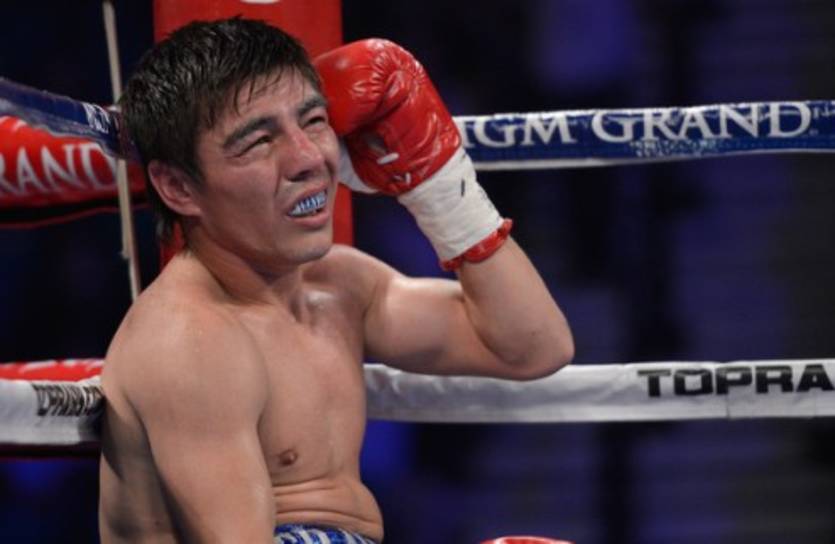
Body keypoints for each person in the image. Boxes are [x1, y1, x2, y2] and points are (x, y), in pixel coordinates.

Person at [98, 18, 573, 544]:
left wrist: (438, 186)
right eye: (259, 141)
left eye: (314, 121)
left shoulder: (339, 286)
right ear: (178, 187)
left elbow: (534, 346)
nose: (308, 158)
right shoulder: (189, 341)